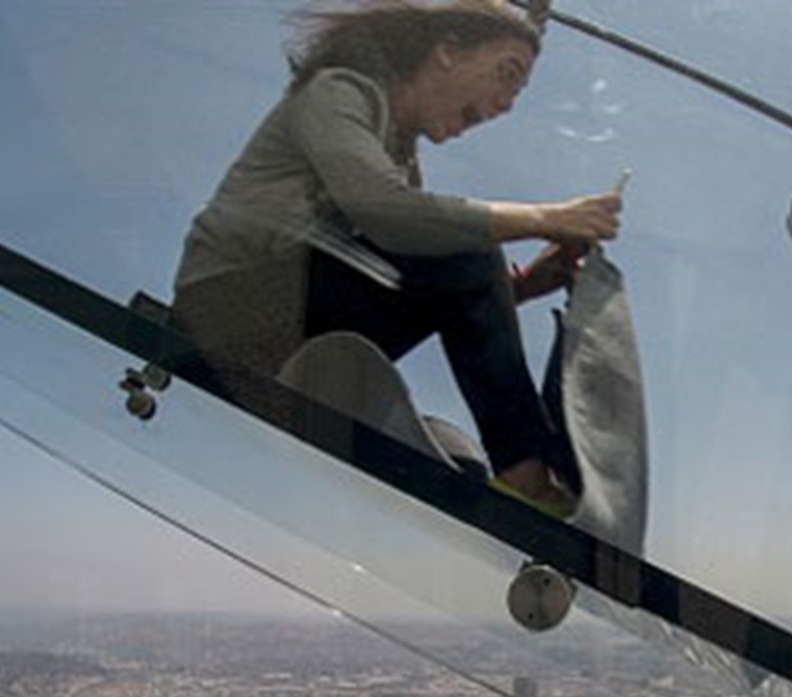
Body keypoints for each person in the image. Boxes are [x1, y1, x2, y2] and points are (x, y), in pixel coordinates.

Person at [172, 0, 622, 517]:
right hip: (226, 315)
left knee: (461, 464)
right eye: (506, 75)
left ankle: (521, 478)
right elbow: (386, 212)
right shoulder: (337, 92)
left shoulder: (397, 151)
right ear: (448, 51)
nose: (505, 106)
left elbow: (430, 283)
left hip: (286, 322)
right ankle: (528, 477)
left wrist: (519, 287)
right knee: (459, 243)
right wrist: (547, 218)